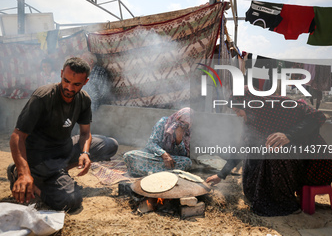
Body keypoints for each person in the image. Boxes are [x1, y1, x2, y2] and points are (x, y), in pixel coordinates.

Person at [7, 57, 118, 212]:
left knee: (110, 145)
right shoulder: (43, 97)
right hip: (40, 158)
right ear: (61, 74)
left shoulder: (84, 99)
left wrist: (85, 153)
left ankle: (60, 170)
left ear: (85, 82)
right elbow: (17, 136)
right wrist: (24, 173)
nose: (69, 88)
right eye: (66, 81)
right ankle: (26, 177)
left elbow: (85, 133)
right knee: (71, 202)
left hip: (64, 148)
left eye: (76, 84)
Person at [206, 87, 332, 216]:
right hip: (295, 164)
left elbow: (318, 116)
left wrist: (288, 136)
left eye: (238, 110)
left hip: (316, 165)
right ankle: (267, 197)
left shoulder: (281, 106)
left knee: (274, 150)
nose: (238, 115)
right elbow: (241, 147)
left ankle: (283, 202)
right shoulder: (252, 120)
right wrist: (221, 174)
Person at [123, 107, 193, 177]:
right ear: (177, 117)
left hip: (172, 160)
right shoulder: (163, 122)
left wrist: (179, 140)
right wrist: (164, 154)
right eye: (181, 121)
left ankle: (148, 172)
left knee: (187, 162)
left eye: (186, 124)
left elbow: (183, 155)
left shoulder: (186, 132)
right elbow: (151, 144)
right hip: (154, 156)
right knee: (129, 156)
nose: (182, 125)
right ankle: (169, 174)